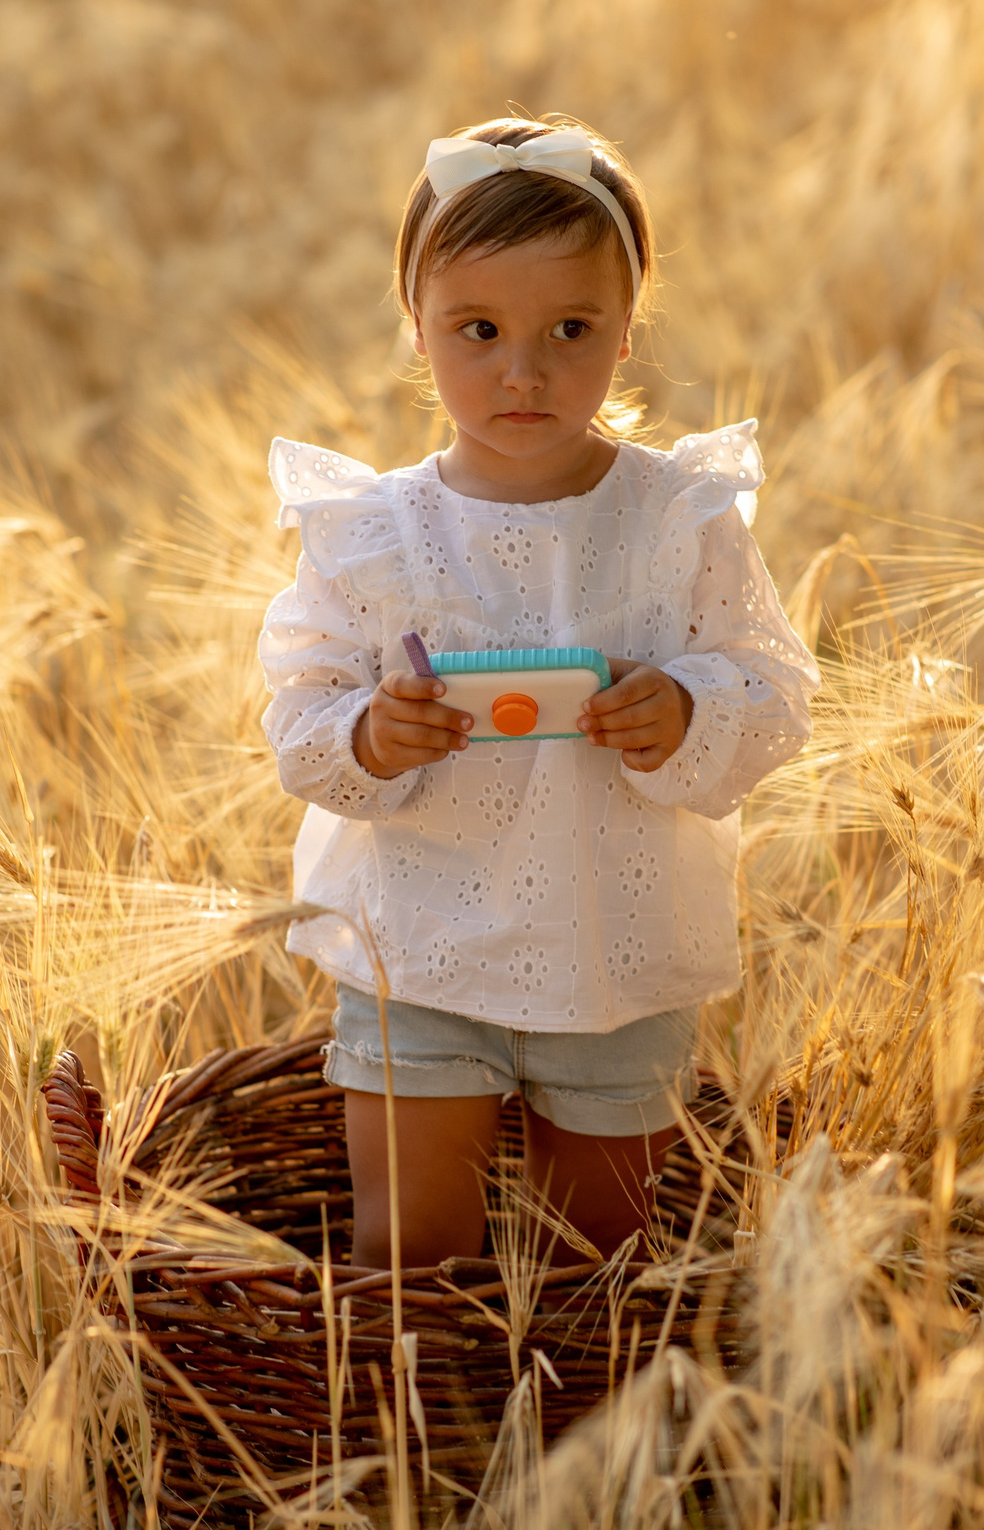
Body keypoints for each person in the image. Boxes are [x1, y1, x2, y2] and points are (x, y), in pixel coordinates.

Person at [258, 116, 818, 1269]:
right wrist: (368, 734)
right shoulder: (371, 535)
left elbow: (772, 685)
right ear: (415, 330)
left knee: (599, 1251)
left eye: (572, 328)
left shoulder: (679, 518)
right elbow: (299, 714)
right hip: (416, 943)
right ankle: (425, 1441)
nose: (524, 370)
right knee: (408, 1243)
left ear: (626, 333)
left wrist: (687, 709)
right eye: (478, 330)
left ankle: (576, 1440)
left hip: (618, 939)